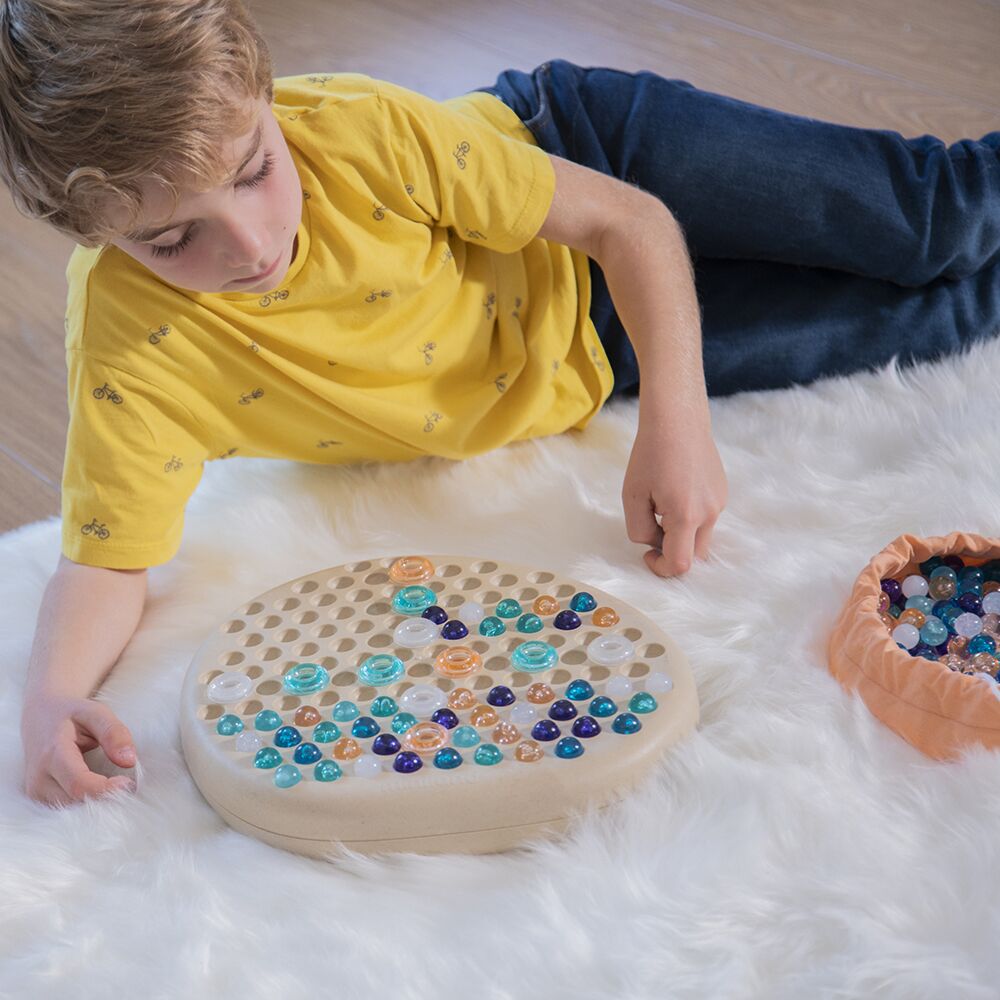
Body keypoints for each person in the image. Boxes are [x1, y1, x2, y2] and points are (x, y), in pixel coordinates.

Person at [2, 1, 998, 808]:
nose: (252, 246)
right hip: (594, 353)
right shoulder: (128, 345)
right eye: (174, 242)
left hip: (601, 161)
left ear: (264, 97)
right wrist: (51, 696)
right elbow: (107, 556)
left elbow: (630, 224)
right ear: (91, 234)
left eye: (257, 170)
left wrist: (678, 425)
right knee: (940, 315)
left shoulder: (361, 130)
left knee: (932, 223)